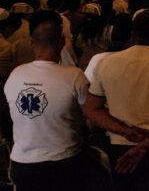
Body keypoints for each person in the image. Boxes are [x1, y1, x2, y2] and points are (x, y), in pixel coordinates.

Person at [83, 10, 149, 191]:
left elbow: (91, 109)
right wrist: (146, 143)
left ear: (133, 33)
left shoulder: (107, 63)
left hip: (120, 145)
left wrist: (126, 131)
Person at [4, 10, 91, 191]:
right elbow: (91, 115)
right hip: (64, 160)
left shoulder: (15, 74)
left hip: (23, 162)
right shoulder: (74, 76)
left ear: (32, 43)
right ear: (61, 43)